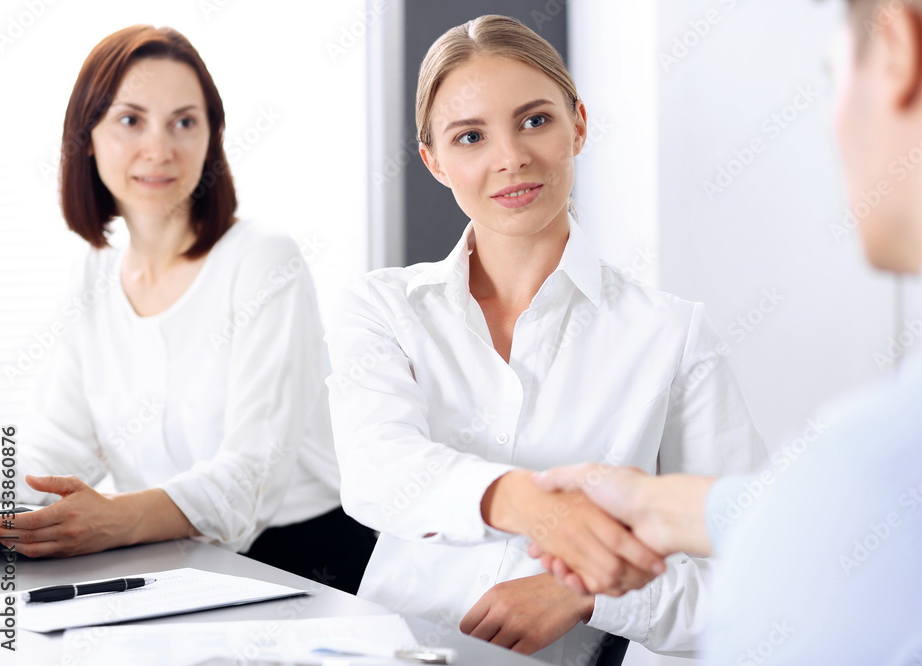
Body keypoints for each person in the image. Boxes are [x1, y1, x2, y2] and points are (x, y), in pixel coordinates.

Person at [531, 0, 922, 662]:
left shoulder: (857, 494)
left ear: (898, 47)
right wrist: (668, 508)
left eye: (833, 77)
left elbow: (865, 520)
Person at [325, 14, 766, 662]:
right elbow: (376, 469)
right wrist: (531, 505)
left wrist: (594, 596)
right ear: (434, 161)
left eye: (535, 120)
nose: (511, 158)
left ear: (578, 125)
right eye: (470, 136)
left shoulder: (672, 338)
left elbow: (753, 573)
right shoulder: (382, 307)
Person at [0, 25, 374, 594]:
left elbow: (251, 476)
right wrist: (2, 495)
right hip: (173, 558)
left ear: (212, 138)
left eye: (184, 122)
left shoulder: (264, 260)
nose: (159, 149)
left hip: (302, 562)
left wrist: (112, 519)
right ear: (86, 137)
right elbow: (59, 447)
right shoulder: (93, 275)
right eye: (130, 120)